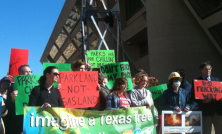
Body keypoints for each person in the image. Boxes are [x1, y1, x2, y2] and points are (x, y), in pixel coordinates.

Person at [191, 62, 222, 134]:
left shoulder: (217, 80)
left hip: (218, 111)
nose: (208, 71)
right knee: (206, 131)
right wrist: (202, 101)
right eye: (206, 69)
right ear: (201, 70)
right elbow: (193, 97)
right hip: (206, 112)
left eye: (209, 69)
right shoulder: (197, 82)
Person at [4, 64, 32, 134]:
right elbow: (7, 106)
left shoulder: (36, 87)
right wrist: (12, 99)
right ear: (20, 73)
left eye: (30, 72)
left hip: (31, 119)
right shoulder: (12, 87)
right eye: (26, 72)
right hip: (17, 121)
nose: (29, 74)